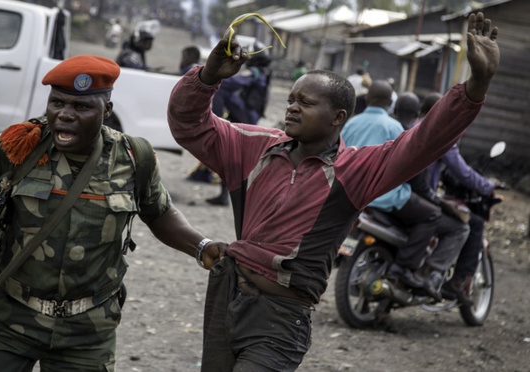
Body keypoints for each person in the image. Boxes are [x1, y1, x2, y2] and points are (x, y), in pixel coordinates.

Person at [167, 12, 499, 371]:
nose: (292, 106)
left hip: (280, 320)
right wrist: (206, 78)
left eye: (306, 102)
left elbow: (423, 141)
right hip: (224, 297)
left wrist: (476, 85)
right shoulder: (254, 146)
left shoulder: (354, 170)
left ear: (338, 117)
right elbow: (189, 126)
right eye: (292, 99)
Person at [0, 55, 225, 371]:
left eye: (81, 107)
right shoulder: (17, 146)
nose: (65, 115)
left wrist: (202, 246)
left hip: (88, 333)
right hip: (10, 321)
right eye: (57, 103)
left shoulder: (134, 158)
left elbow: (160, 214)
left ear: (106, 111)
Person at [342, 81, 472, 300]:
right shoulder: (395, 128)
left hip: (351, 192)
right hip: (385, 195)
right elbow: (408, 167)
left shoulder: (351, 123)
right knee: (431, 214)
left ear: (368, 99)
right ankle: (404, 269)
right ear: (389, 103)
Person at [419, 92, 497, 305]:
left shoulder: (408, 127)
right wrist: (486, 185)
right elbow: (461, 171)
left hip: (403, 193)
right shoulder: (442, 134)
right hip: (420, 197)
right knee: (468, 224)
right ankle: (444, 278)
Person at [206, 40, 272, 206]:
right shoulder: (264, 72)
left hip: (247, 116)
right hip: (250, 116)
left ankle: (215, 119)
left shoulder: (255, 72)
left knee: (221, 87)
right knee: (231, 156)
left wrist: (215, 74)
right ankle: (225, 196)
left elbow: (233, 83)